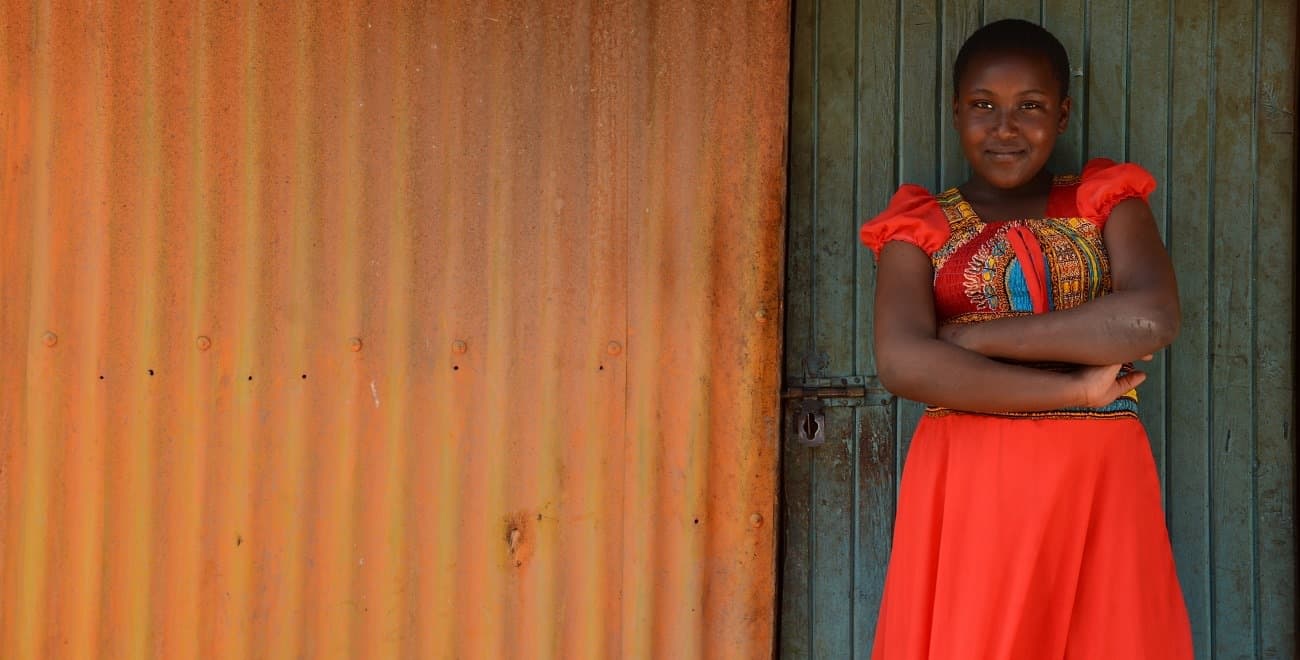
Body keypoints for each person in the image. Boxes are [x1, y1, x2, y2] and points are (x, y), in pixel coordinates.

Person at [859, 19, 1194, 658]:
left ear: (1062, 115)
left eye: (1031, 107)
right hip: (972, 481)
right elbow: (903, 363)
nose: (1006, 128)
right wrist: (1077, 389)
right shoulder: (919, 227)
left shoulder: (1105, 202)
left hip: (1097, 477)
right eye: (983, 105)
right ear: (956, 112)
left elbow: (1150, 318)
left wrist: (972, 340)